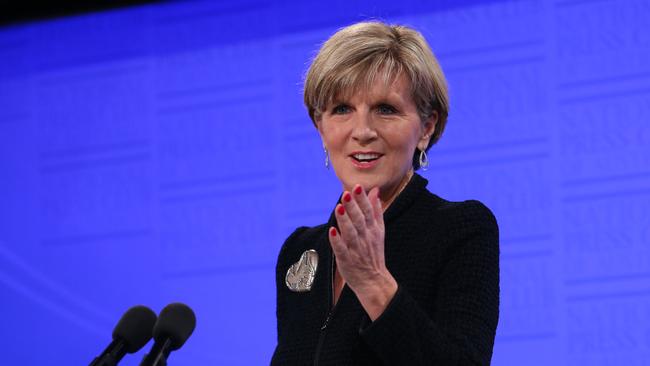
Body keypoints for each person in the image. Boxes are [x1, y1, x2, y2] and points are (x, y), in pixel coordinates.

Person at [271, 21, 499, 366]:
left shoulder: (460, 230)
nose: (362, 131)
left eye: (386, 109)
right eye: (342, 109)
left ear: (426, 127)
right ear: (321, 127)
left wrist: (375, 284)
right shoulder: (301, 250)